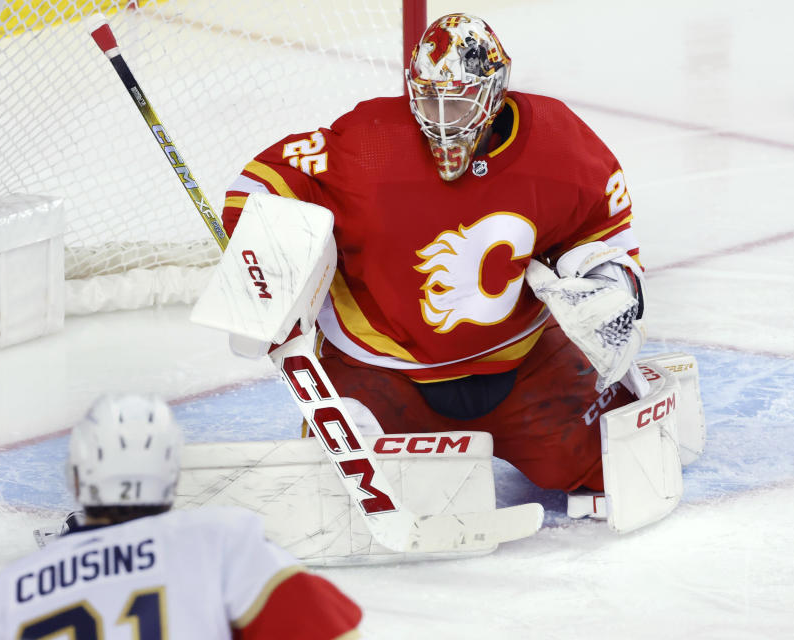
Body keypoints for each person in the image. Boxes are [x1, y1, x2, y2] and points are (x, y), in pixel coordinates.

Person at [222, 13, 647, 494]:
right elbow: (259, 182)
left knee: (614, 468)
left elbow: (603, 226)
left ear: (495, 90)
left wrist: (612, 283)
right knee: (341, 494)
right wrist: (264, 258)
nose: (443, 122)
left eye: (460, 103)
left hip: (525, 363)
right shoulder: (371, 143)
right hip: (381, 371)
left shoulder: (557, 141)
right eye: (429, 99)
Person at [0, 394, 362, 639]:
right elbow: (331, 631)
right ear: (172, 476)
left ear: (75, 476)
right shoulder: (219, 543)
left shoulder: (7, 591)